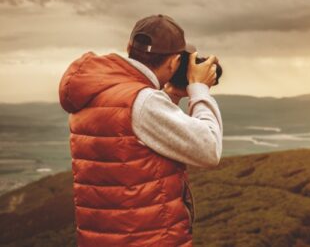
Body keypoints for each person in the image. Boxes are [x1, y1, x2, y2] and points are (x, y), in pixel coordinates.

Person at [58, 14, 223, 247]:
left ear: (129, 48)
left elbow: (139, 140)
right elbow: (209, 149)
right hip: (149, 239)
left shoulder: (100, 92)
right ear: (175, 62)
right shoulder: (143, 102)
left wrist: (173, 95)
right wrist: (199, 90)